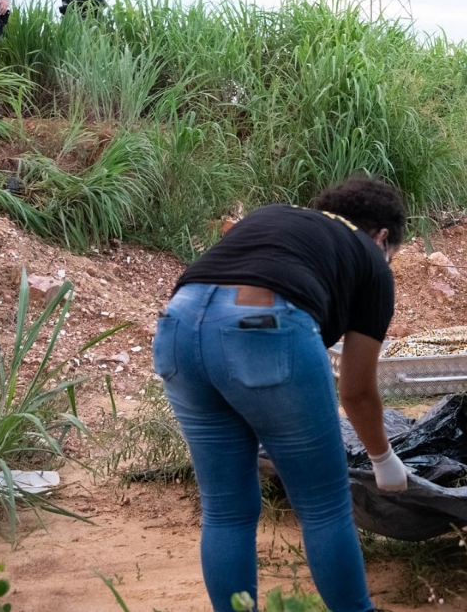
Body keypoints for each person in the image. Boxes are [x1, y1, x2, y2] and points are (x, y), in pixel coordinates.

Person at [152, 176, 411, 612]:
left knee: (226, 511)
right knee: (324, 506)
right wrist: (384, 460)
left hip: (176, 327)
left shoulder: (276, 217)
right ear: (382, 236)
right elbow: (357, 390)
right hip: (263, 328)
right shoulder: (370, 259)